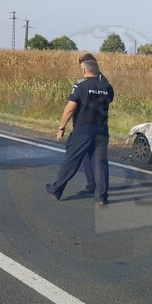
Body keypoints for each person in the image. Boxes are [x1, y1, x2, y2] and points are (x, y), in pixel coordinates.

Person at [45, 59, 115, 205]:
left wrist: (61, 128)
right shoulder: (107, 87)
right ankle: (101, 197)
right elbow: (109, 98)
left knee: (71, 161)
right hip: (102, 130)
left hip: (83, 129)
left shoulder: (80, 85)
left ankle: (57, 189)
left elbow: (70, 108)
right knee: (100, 164)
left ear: (84, 70)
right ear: (98, 71)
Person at [73, 52, 108, 196]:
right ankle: (96, 186)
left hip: (88, 124)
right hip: (98, 124)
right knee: (92, 157)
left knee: (91, 157)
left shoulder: (91, 80)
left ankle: (94, 185)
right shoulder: (102, 79)